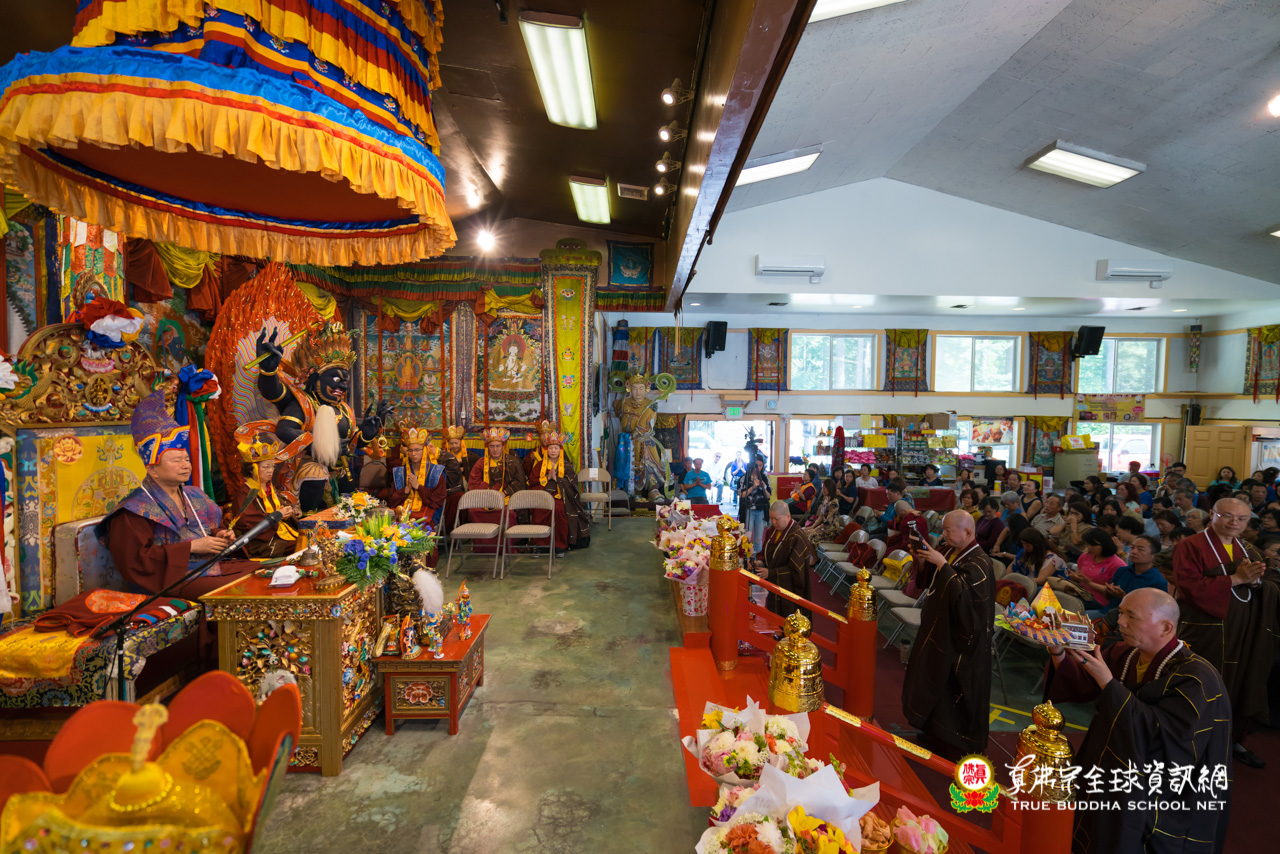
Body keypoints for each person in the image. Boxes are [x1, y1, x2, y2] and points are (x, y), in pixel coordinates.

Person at [1043, 588, 1231, 854]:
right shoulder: (1126, 653)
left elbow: (1169, 738)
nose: (1120, 622)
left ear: (1166, 627)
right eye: (1121, 613)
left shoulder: (1197, 678)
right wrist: (1058, 653)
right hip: (1111, 762)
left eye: (1131, 616)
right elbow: (1083, 683)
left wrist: (1109, 685)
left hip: (1156, 785)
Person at [100, 391, 255, 660]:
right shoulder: (134, 510)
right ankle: (230, 660)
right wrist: (193, 547)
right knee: (242, 593)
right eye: (176, 460)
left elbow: (206, 528)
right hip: (172, 580)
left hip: (209, 567)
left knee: (265, 573)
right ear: (152, 469)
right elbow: (134, 563)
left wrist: (221, 535)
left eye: (186, 459)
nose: (186, 465)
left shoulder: (193, 495)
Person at [1174, 497, 1280, 769]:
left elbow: (1269, 581)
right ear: (1212, 514)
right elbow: (1188, 586)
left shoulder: (1248, 549)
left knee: (1242, 680)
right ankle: (1194, 742)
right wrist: (1236, 578)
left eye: (1242, 519)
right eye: (1227, 516)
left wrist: (1257, 582)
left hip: (1245, 626)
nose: (1235, 522)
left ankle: (1232, 739)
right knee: (1205, 682)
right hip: (1207, 628)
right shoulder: (1191, 545)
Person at [902, 510, 994, 759]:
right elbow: (933, 581)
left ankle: (954, 743)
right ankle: (932, 731)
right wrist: (924, 561)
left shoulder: (981, 564)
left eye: (948, 530)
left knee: (953, 690)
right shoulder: (953, 551)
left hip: (962, 642)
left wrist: (942, 564)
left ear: (968, 532)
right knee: (935, 682)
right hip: (941, 630)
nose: (943, 535)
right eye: (942, 529)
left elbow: (966, 600)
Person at [231, 433, 302, 559]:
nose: (270, 470)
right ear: (253, 469)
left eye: (272, 466)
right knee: (301, 544)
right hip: (260, 541)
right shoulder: (245, 492)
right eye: (266, 467)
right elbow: (246, 519)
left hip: (279, 532)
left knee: (308, 537)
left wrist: (288, 511)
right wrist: (277, 516)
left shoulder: (270, 488)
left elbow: (281, 506)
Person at [530, 430, 591, 554]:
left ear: (560, 450)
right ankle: (540, 543)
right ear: (547, 450)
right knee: (539, 510)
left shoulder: (566, 466)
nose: (553, 451)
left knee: (558, 509)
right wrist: (548, 477)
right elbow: (532, 481)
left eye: (556, 448)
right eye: (550, 448)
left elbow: (572, 484)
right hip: (543, 496)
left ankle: (559, 544)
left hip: (562, 497)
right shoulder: (540, 465)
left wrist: (558, 478)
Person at [752, 500, 815, 619]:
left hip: (789, 590)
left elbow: (797, 571)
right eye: (771, 518)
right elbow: (765, 552)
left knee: (787, 621)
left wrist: (771, 573)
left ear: (788, 516)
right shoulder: (772, 531)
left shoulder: (797, 536)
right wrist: (760, 562)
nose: (773, 522)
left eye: (776, 519)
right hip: (774, 587)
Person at [388, 424, 447, 526]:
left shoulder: (436, 471)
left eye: (417, 450)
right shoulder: (400, 472)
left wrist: (418, 487)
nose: (413, 454)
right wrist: (406, 490)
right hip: (403, 507)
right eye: (410, 450)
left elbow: (438, 499)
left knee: (422, 522)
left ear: (424, 451)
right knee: (390, 520)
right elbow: (392, 500)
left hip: (427, 508)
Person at [1070, 527, 1128, 609]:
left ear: (1105, 544)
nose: (1089, 548)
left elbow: (1113, 592)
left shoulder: (1117, 564)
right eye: (1087, 544)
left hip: (1099, 600)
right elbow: (1078, 575)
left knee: (1070, 603)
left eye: (1093, 545)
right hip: (1080, 592)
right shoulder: (1085, 556)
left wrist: (1088, 583)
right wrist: (1074, 577)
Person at [437, 425, 470, 532]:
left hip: (461, 482)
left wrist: (459, 466)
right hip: (447, 482)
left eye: (456, 443)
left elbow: (469, 467)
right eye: (451, 443)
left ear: (461, 443)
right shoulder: (443, 456)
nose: (454, 445)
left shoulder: (469, 456)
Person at [739, 459, 772, 553]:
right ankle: (746, 557)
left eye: (761, 465)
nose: (758, 468)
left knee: (758, 539)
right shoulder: (744, 478)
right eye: (757, 465)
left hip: (760, 510)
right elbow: (741, 495)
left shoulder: (764, 477)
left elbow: (768, 496)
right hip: (748, 510)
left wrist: (763, 487)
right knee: (746, 537)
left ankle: (757, 558)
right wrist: (753, 486)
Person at [804, 479, 842, 545]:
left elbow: (828, 521)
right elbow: (821, 517)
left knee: (810, 536)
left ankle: (813, 552)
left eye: (825, 488)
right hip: (824, 528)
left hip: (832, 531)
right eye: (822, 488)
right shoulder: (825, 499)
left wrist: (815, 529)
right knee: (805, 533)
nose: (823, 490)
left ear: (830, 488)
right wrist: (812, 527)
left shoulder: (834, 502)